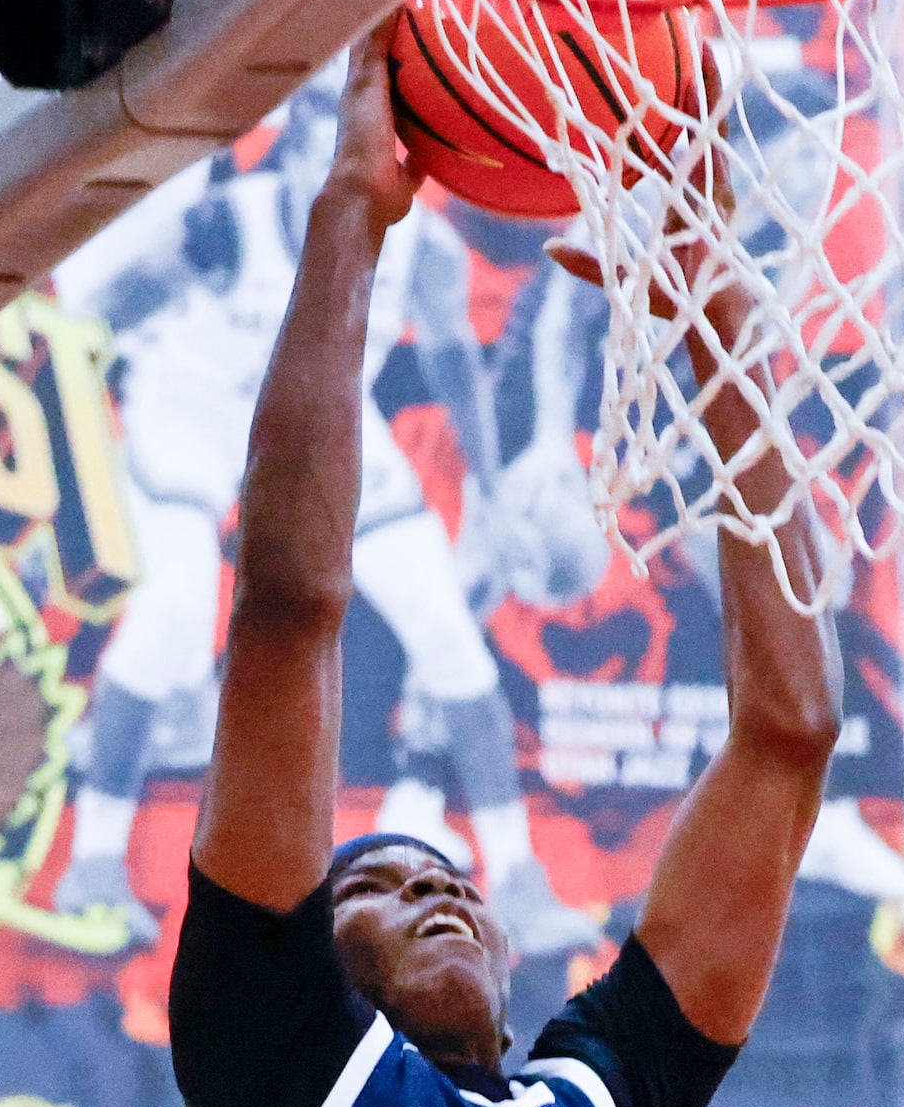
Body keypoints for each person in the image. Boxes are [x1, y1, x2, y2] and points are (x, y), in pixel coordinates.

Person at [172, 27, 841, 1107]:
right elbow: (288, 609)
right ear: (309, 959)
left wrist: (709, 303)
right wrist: (352, 209)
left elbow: (789, 731)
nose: (439, 887)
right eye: (384, 880)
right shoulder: (294, 1083)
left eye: (450, 873)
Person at [55, 90, 600, 961]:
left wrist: (492, 494)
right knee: (169, 625)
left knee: (450, 636)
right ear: (296, 156)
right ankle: (90, 865)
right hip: (189, 416)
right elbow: (87, 323)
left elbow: (457, 365)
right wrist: (75, 448)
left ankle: (523, 884)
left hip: (321, 423)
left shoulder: (423, 250)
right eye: (328, 160)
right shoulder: (221, 228)